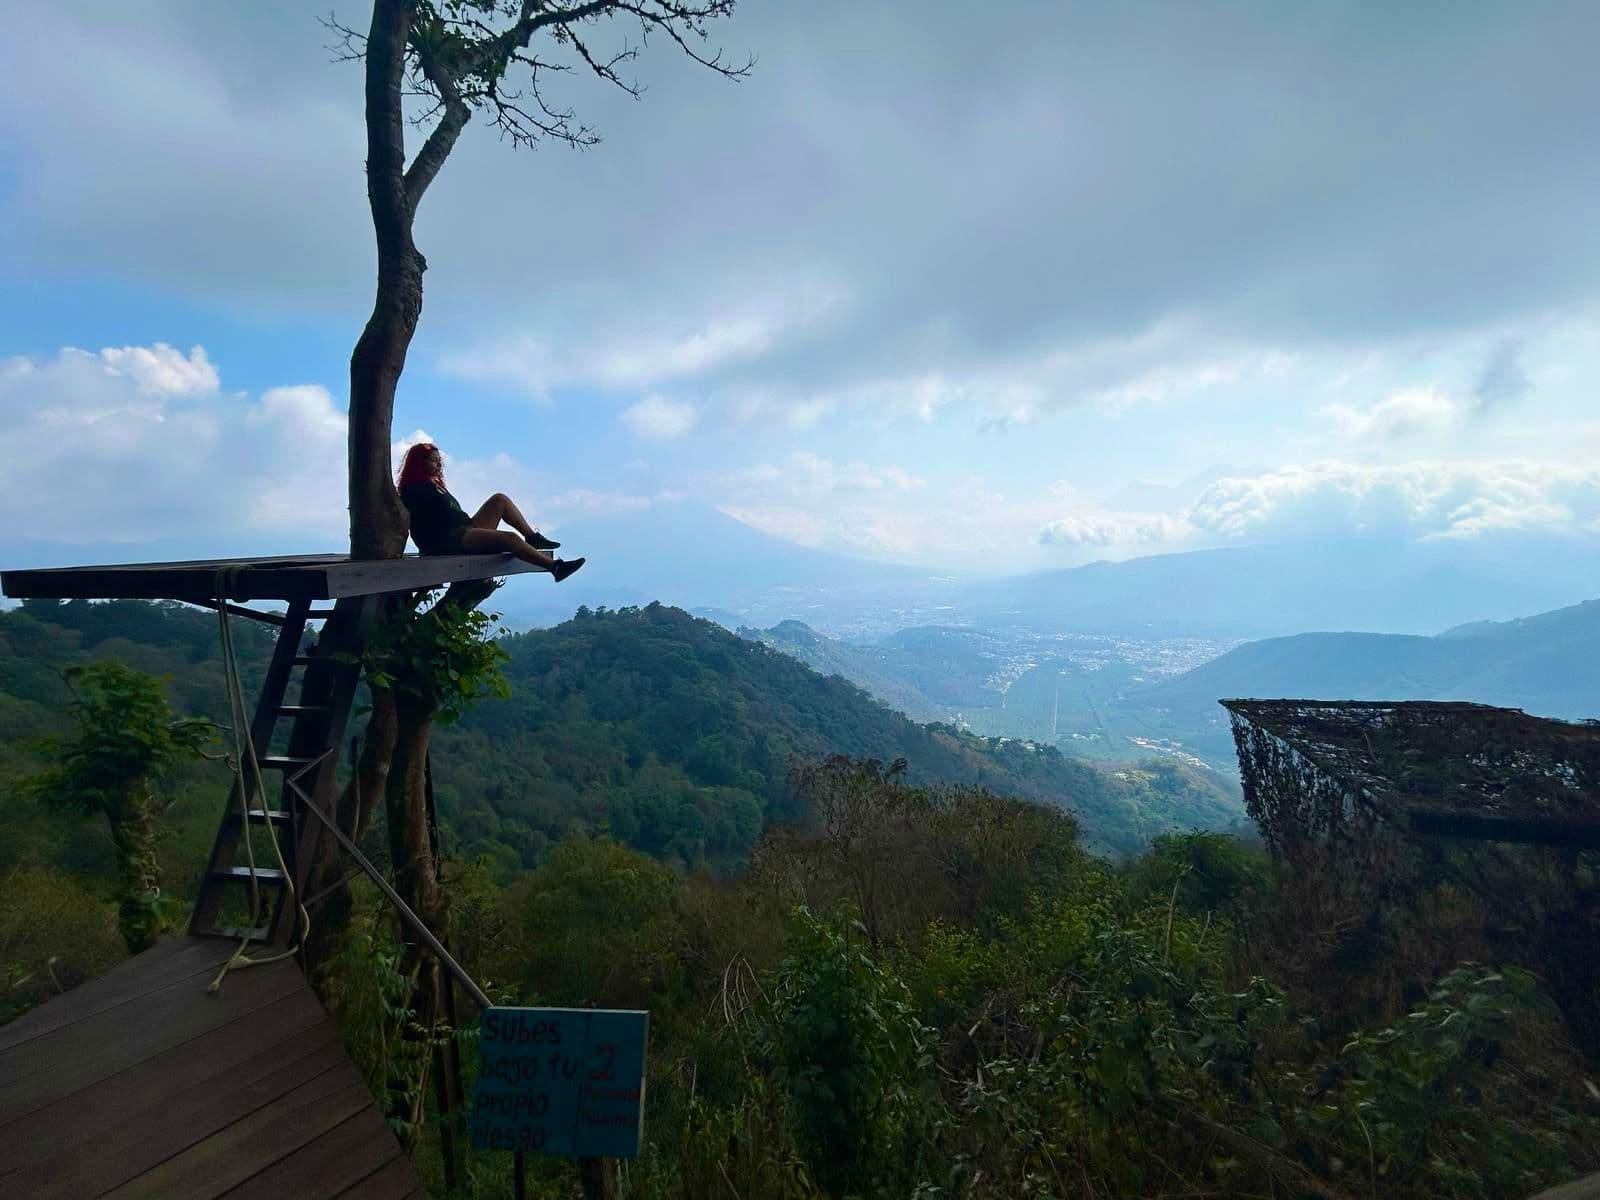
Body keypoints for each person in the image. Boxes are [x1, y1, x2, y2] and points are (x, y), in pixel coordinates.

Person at [396, 442, 586, 582]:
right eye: (433, 461)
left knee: (499, 500)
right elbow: (420, 526)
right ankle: (555, 567)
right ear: (419, 464)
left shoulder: (435, 485)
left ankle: (532, 537)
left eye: (440, 461)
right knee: (510, 539)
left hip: (464, 529)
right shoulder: (414, 489)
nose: (438, 465)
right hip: (449, 540)